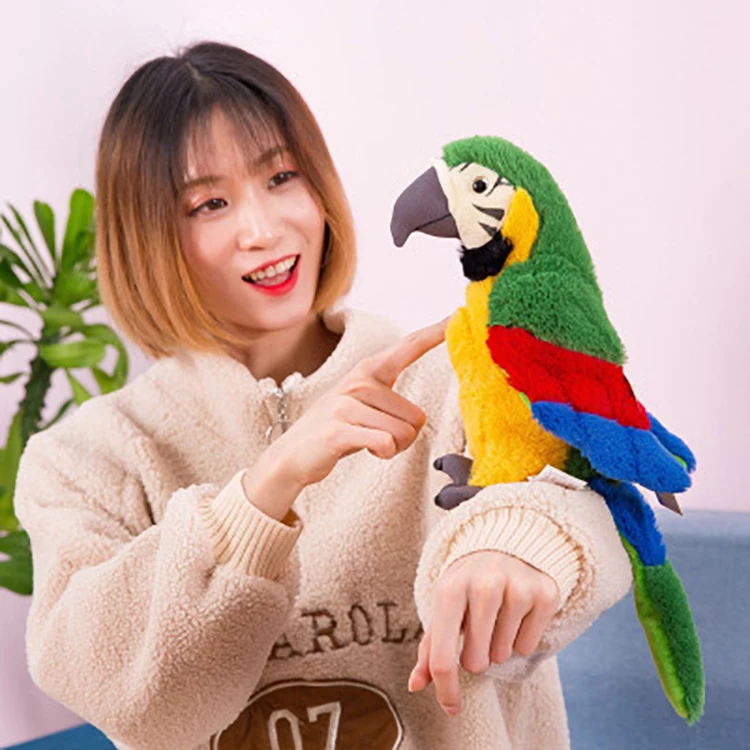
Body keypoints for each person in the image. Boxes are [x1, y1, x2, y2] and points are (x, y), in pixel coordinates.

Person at [14, 41, 632, 750]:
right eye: (210, 203)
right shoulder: (84, 460)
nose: (263, 229)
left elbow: (576, 502)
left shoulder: (457, 376)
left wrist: (517, 545)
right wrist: (264, 490)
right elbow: (114, 688)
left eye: (282, 177)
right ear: (146, 237)